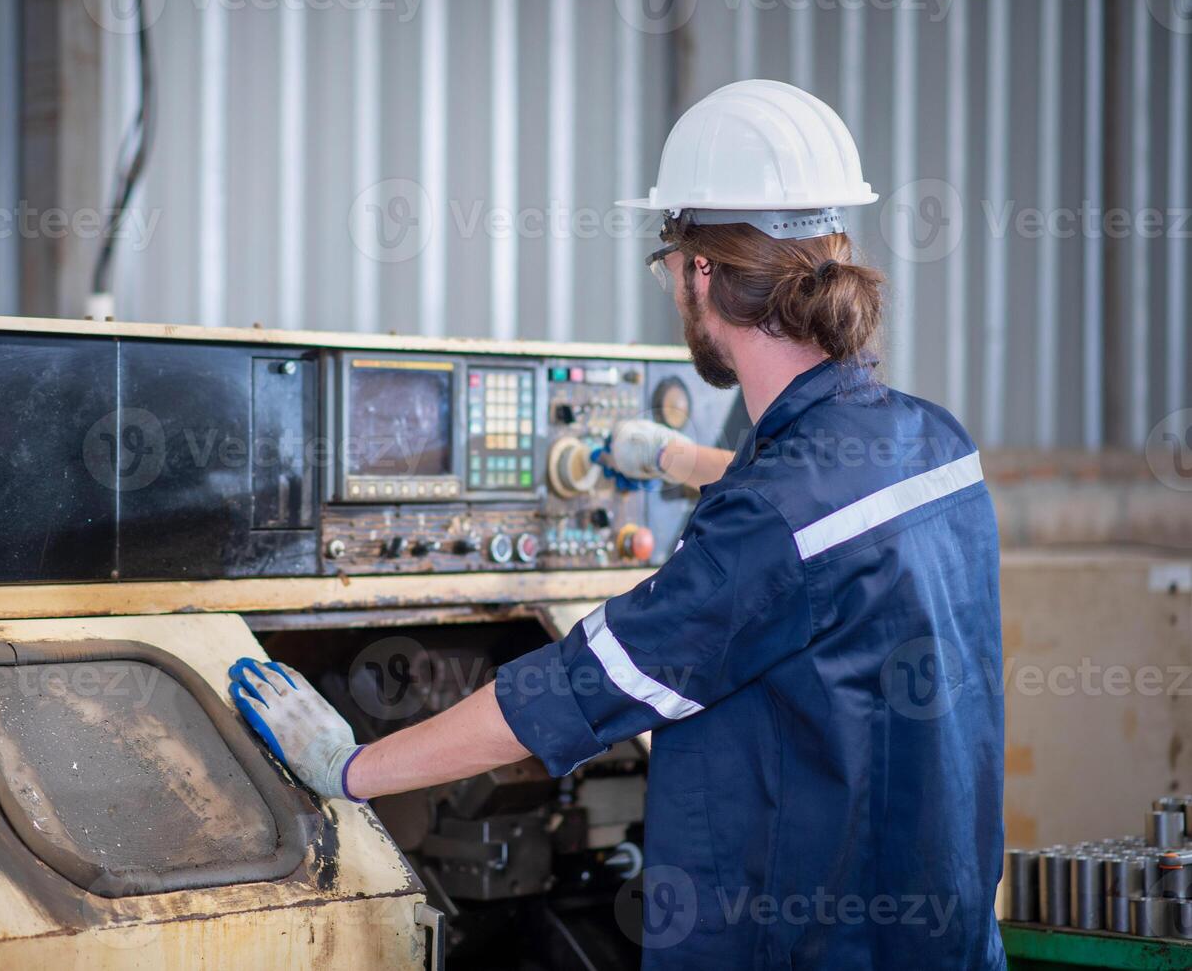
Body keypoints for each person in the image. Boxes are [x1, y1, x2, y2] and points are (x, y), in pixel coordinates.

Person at [228, 80, 1005, 969]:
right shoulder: (936, 444)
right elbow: (832, 520)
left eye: (668, 263)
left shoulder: (769, 526)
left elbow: (575, 687)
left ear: (699, 270)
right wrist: (678, 461)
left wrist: (348, 767)